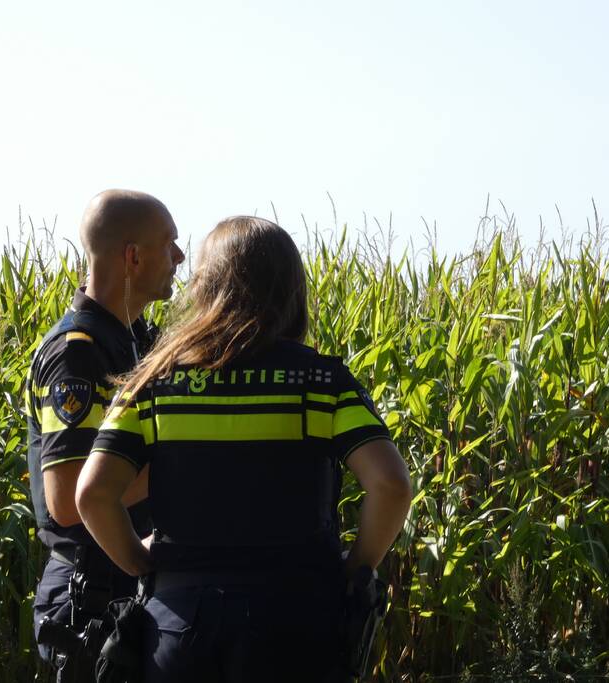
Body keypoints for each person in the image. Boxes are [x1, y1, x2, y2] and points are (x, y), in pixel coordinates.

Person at [75, 216, 413, 682]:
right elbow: (391, 486)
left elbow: (93, 494)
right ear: (292, 290)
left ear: (205, 288)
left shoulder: (154, 383)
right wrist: (355, 568)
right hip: (298, 625)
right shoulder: (321, 381)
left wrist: (143, 564)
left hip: (178, 630)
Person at [25, 189, 185, 681]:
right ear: (132, 257)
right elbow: (69, 499)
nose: (180, 256)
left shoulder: (140, 341)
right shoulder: (78, 353)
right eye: (169, 243)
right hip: (89, 594)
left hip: (131, 581)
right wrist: (187, 469)